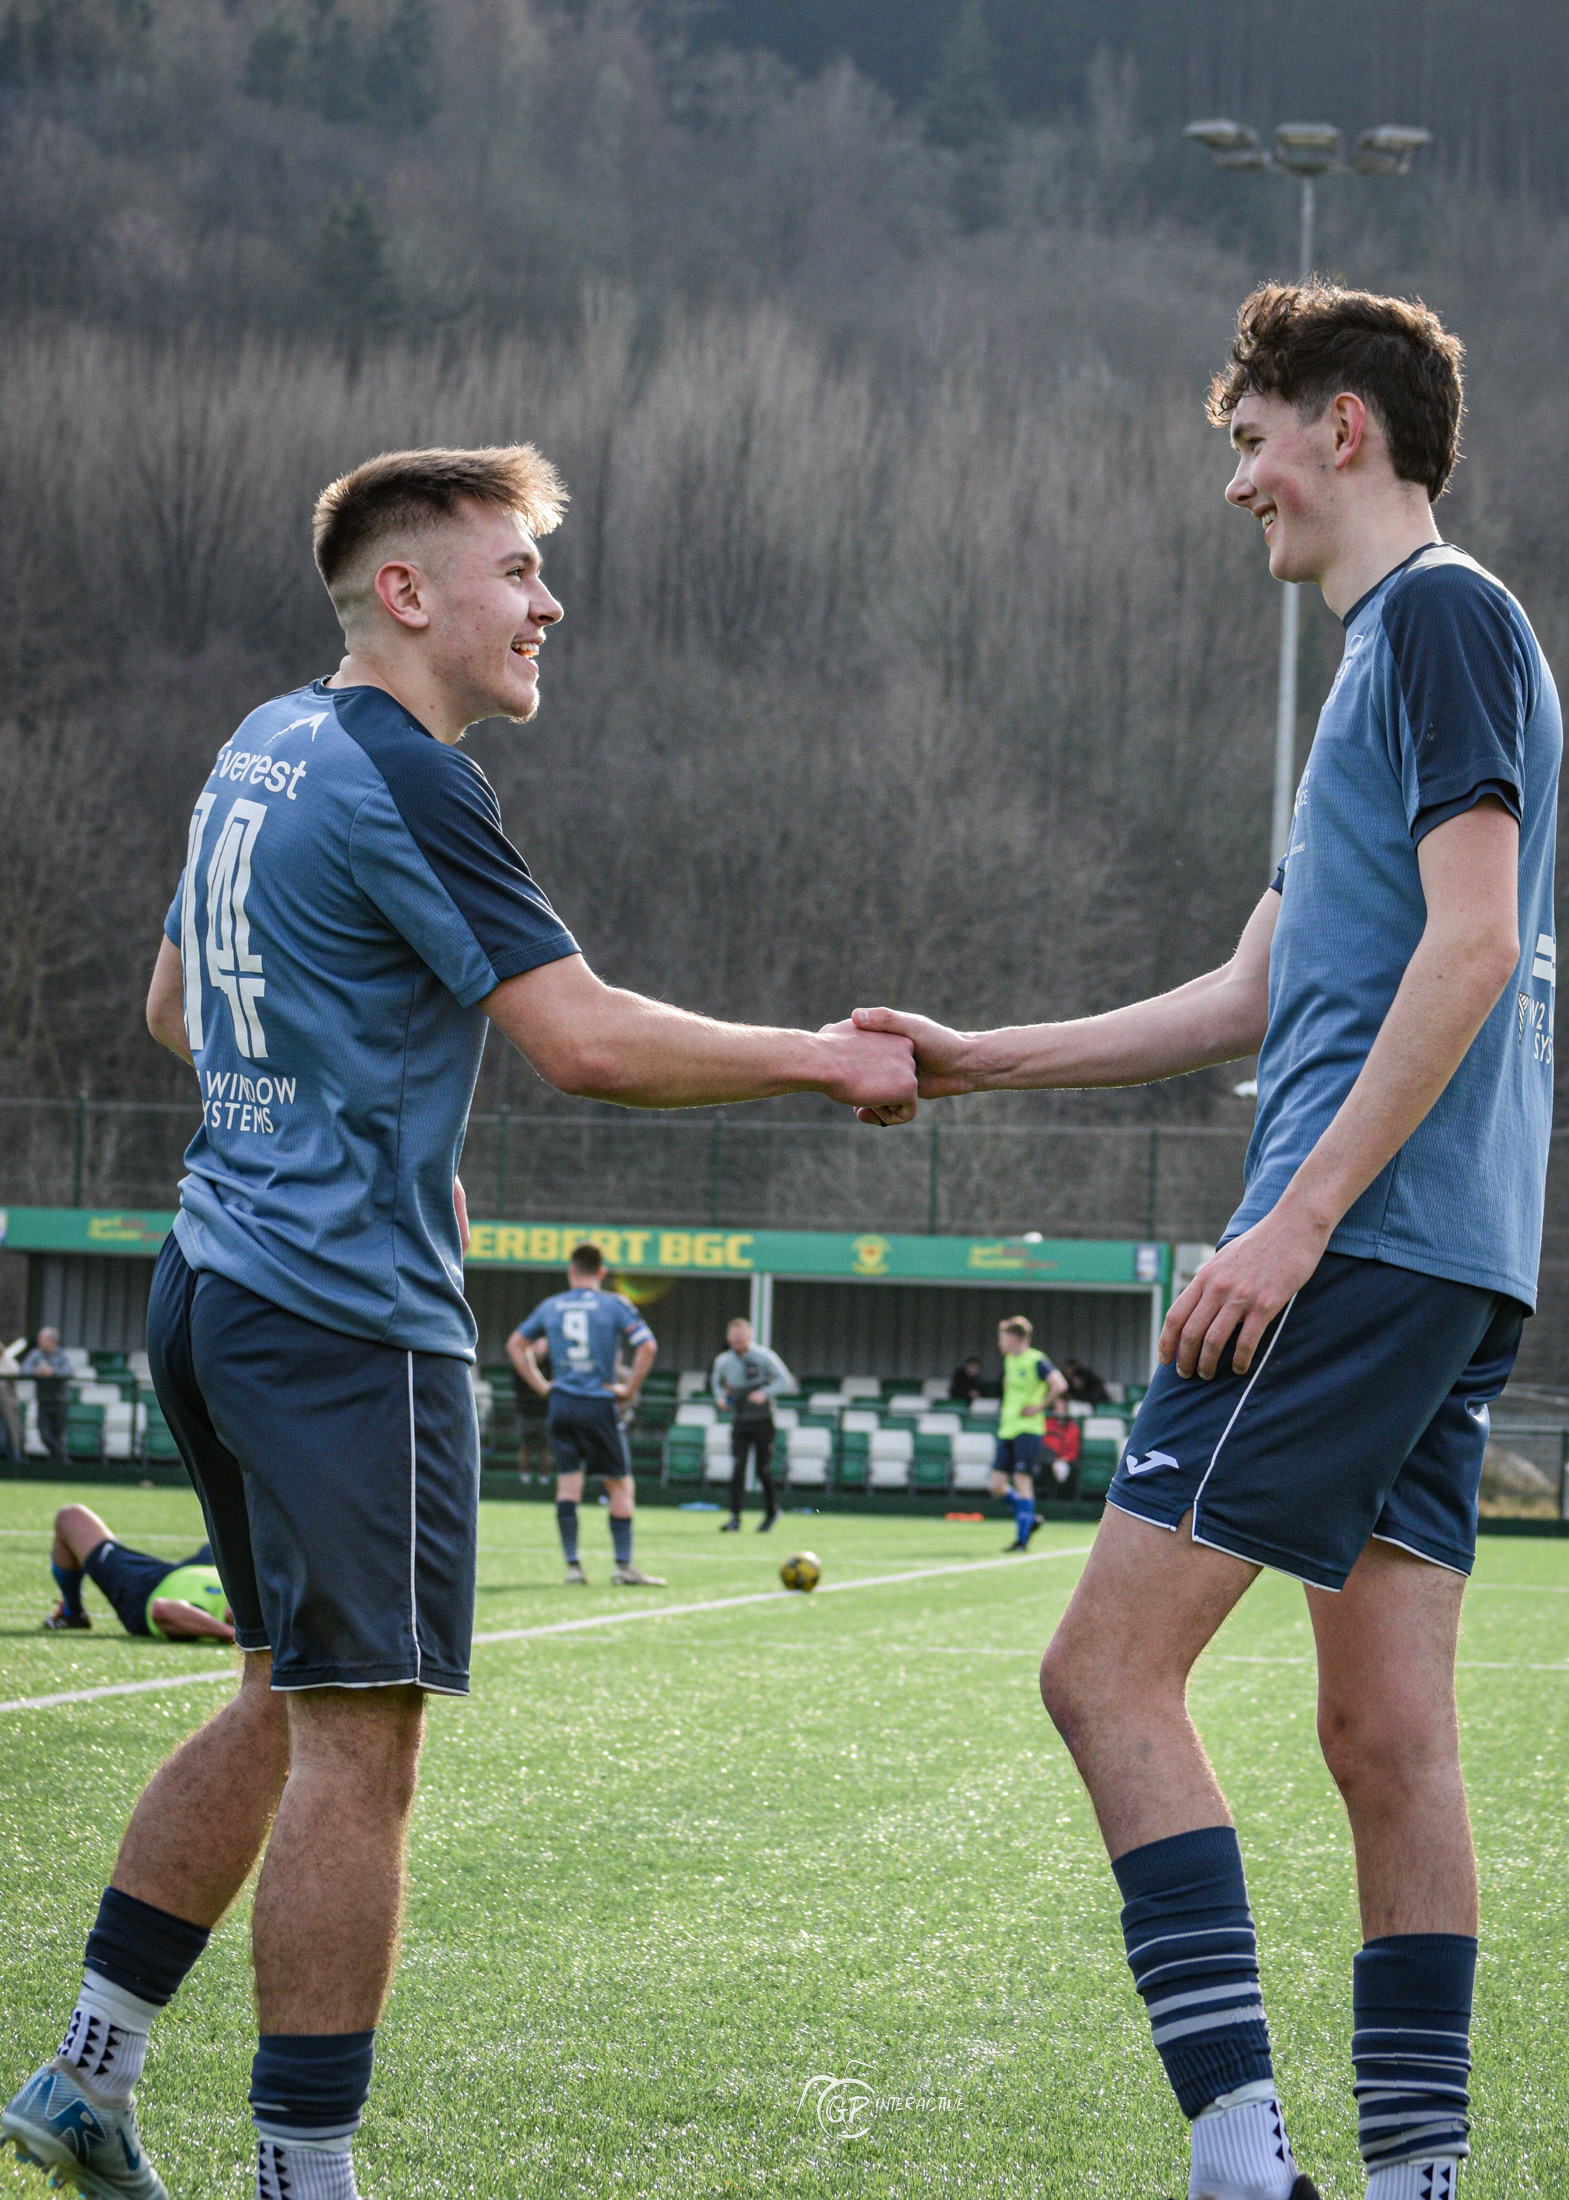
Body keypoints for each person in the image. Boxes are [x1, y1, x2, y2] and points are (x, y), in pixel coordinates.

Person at [1, 445, 915, 2200]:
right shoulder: (410, 780)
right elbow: (582, 1037)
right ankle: (304, 2178)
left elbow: (171, 1006)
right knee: (363, 1745)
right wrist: (819, 1053)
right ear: (408, 595)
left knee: (278, 1698)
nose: (549, 603)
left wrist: (331, 1103)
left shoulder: (258, 744)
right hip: (345, 1326)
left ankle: (88, 2076)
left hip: (214, 1277)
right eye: (517, 571)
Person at [852, 283, 1558, 2200]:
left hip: (1365, 1241)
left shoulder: (1438, 617)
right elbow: (1260, 984)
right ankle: (1416, 2184)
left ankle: (1247, 2170)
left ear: (1344, 426)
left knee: (1103, 1676)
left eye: (1248, 438)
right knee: (1384, 1732)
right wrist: (977, 1059)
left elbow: (1475, 940)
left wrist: (1297, 1218)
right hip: (1449, 1252)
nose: (1235, 482)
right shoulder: (1387, 664)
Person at [507, 1244, 664, 1585]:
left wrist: (540, 1384)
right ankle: (623, 1567)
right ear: (602, 1272)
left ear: (571, 1270)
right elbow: (647, 1346)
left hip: (561, 1403)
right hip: (598, 1402)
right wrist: (629, 1389)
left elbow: (515, 1344)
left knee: (568, 1487)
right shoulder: (613, 1304)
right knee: (620, 1484)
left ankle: (573, 1567)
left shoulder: (552, 1305)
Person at [43, 1504, 234, 1643]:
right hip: (215, 1568)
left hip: (146, 1588)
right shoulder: (252, 1594)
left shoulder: (210, 1620)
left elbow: (161, 1610)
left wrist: (230, 1634)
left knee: (70, 1518)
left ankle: (72, 1613)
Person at [709, 1317, 796, 1533]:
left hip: (762, 1420)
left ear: (749, 1336)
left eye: (741, 1335)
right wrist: (720, 1398)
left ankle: (771, 1512)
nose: (737, 1340)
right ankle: (735, 1518)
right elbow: (716, 1383)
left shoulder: (764, 1356)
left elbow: (784, 1380)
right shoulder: (723, 1361)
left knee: (763, 1470)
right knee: (738, 1468)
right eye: (733, 1336)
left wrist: (764, 1393)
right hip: (740, 1420)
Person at [991, 1317, 1067, 1552]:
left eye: (1002, 1338)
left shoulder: (1036, 1360)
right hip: (1008, 1428)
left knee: (1023, 1480)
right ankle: (1029, 1518)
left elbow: (1059, 1384)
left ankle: (1021, 1541)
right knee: (996, 1485)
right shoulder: (1009, 1361)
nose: (1000, 1343)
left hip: (1028, 1429)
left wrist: (1040, 1406)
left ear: (1013, 1338)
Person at [21, 1326, 74, 1467]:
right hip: (43, 1402)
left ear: (51, 1341)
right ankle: (66, 1463)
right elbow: (23, 1370)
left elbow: (68, 1372)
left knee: (58, 1437)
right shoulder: (35, 1354)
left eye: (42, 1338)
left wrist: (52, 1371)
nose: (39, 1341)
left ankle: (56, 1467)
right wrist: (36, 1371)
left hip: (60, 1402)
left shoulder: (61, 1355)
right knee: (45, 1435)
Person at [0, 1336, 22, 1465]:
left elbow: (14, 1372)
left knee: (12, 1434)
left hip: (8, 1405)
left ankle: (15, 1461)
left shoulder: (9, 1361)